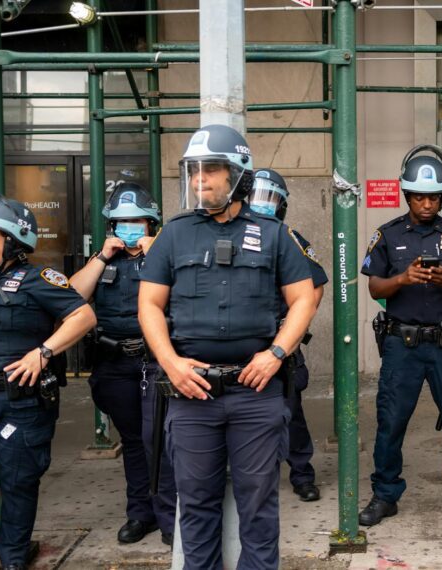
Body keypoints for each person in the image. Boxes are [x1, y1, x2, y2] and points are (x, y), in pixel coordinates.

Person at [138, 125, 316, 568]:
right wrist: (171, 363)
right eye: (194, 171)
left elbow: (304, 299)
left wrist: (276, 353)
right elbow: (149, 305)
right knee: (196, 504)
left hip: (255, 393)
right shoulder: (174, 234)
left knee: (258, 506)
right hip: (190, 392)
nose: (200, 180)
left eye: (211, 170)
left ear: (238, 175)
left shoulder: (274, 235)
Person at [358, 144, 442, 528]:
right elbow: (375, 289)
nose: (427, 204)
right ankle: (385, 495)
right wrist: (403, 279)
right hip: (401, 346)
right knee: (391, 421)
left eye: (434, 197)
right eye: (419, 196)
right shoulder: (387, 236)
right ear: (407, 195)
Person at [0, 194, 96, 570]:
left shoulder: (38, 279)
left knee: (18, 485)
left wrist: (43, 352)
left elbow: (82, 316)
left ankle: (13, 559)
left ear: (14, 243)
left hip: (19, 401)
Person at [68, 183, 177, 546]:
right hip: (114, 363)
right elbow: (69, 298)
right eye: (121, 223)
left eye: (137, 221)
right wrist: (100, 257)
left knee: (159, 439)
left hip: (154, 362)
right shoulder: (103, 261)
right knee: (133, 441)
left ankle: (169, 516)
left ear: (151, 224)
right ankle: (139, 513)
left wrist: (157, 253)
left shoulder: (165, 254)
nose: (129, 228)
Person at [249, 168, 328, 502]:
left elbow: (317, 286)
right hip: (241, 343)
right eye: (257, 197)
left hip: (280, 344)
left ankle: (301, 474)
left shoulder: (289, 237)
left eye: (271, 199)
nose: (263, 205)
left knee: (290, 413)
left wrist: (294, 329)